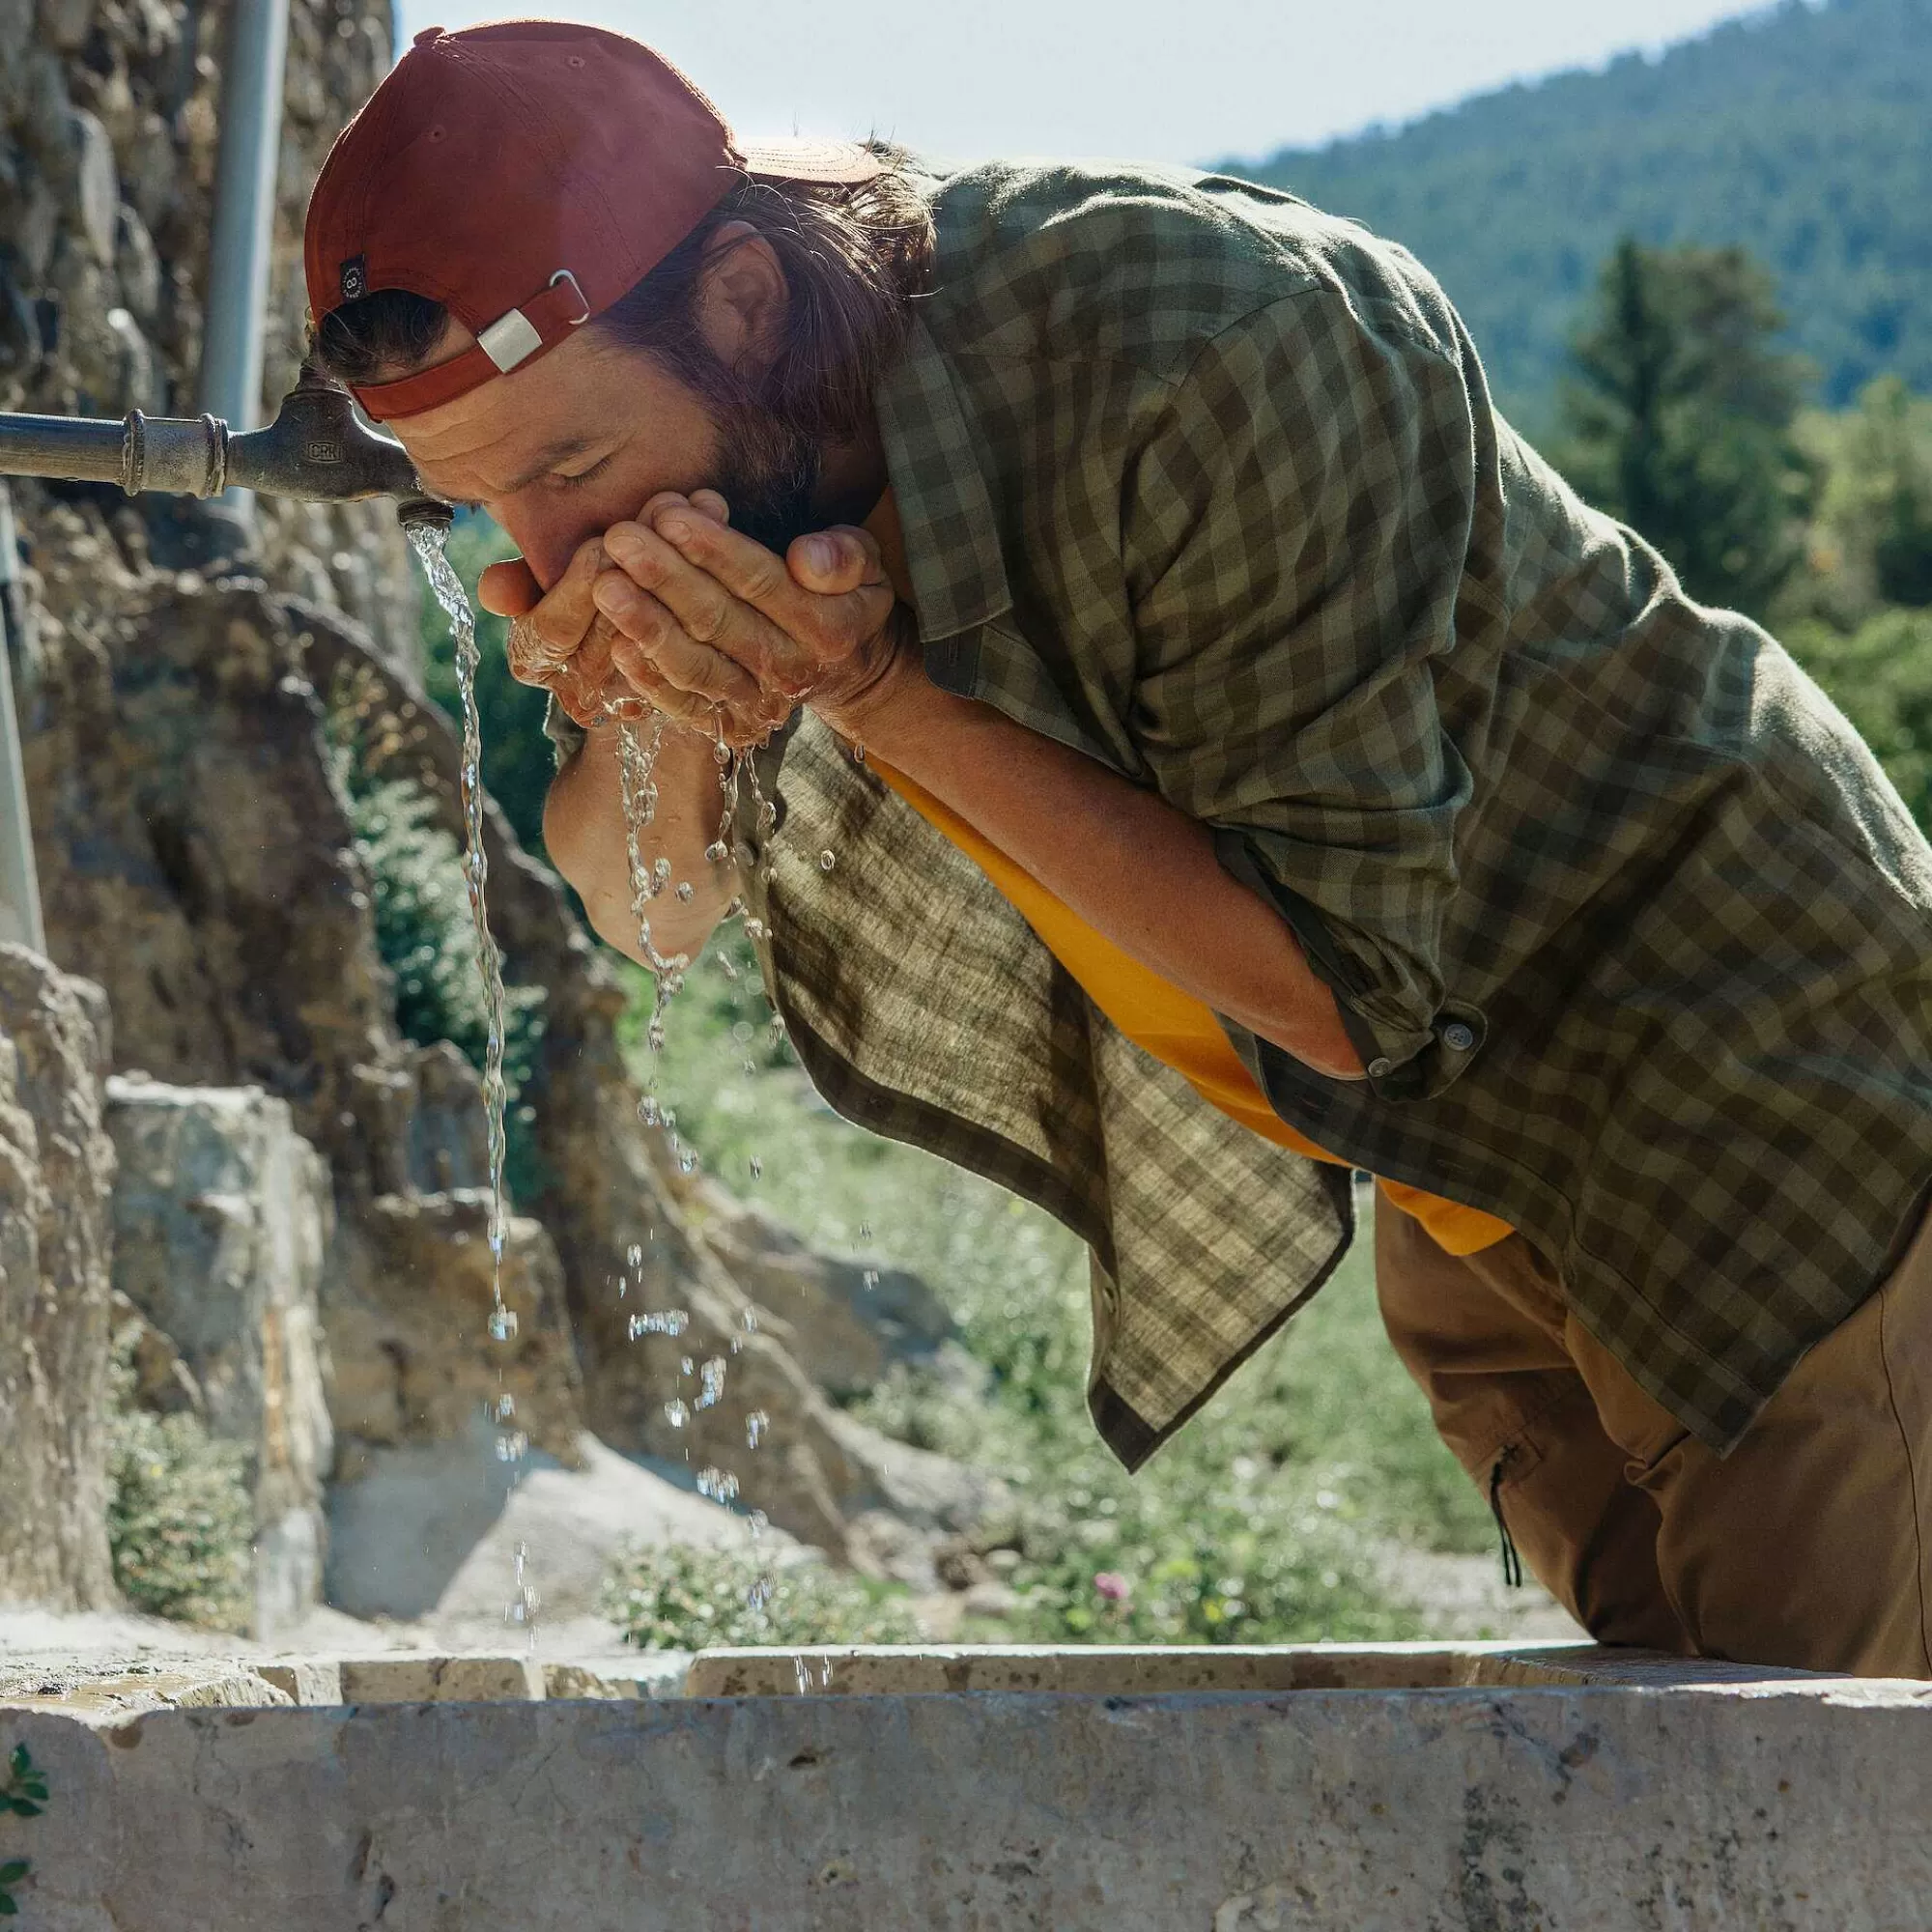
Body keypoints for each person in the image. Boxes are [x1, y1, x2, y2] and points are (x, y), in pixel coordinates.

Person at [305, 18, 1932, 1676]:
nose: (559, 548)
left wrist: (874, 689)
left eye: (574, 466)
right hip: (1479, 1176)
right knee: (1673, 1817)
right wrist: (656, 682)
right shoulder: (716, 470)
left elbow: (1338, 989)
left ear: (742, 299)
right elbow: (648, 907)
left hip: (1743, 1065)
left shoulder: (1224, 337)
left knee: (1837, 1808)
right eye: (488, 507)